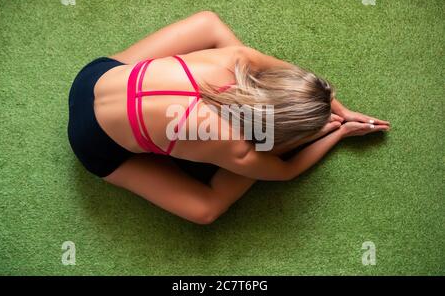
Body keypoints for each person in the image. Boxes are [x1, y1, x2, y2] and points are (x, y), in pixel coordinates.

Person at [67, 11, 390, 225]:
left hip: (95, 78)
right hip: (92, 140)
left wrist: (336, 106)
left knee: (210, 24)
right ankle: (267, 126)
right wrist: (337, 131)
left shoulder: (238, 58)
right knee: (207, 210)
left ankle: (266, 115)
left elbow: (289, 74)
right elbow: (285, 171)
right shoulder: (230, 143)